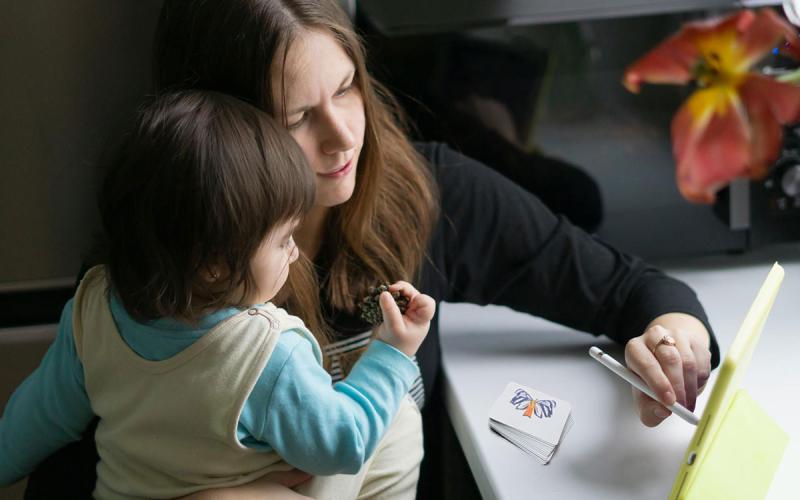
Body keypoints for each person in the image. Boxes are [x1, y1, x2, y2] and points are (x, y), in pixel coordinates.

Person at [24, 0, 721, 498]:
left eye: (347, 87)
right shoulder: (161, 266)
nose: (342, 135)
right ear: (220, 136)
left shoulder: (431, 190)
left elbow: (626, 287)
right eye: (298, 118)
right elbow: (58, 462)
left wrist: (675, 338)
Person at [0, 90, 435, 499]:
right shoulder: (267, 354)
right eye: (284, 239)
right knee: (398, 421)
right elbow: (345, 443)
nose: (295, 251)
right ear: (214, 265)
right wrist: (391, 352)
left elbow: (38, 419)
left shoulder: (92, 309)